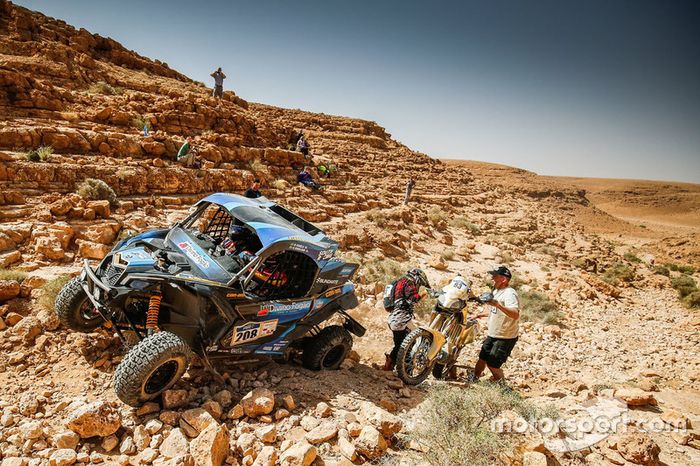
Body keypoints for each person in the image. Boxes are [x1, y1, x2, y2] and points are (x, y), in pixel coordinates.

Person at [472, 266, 520, 382]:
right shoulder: (496, 291)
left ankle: (502, 388)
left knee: (493, 364)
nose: (492, 278)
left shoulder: (510, 293)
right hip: (493, 334)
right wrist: (479, 315)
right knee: (482, 358)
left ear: (503, 279)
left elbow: (515, 314)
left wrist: (498, 304)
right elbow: (494, 311)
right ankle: (474, 379)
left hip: (505, 337)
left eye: (495, 276)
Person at [384, 268, 431, 371]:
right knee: (404, 345)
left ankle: (392, 365)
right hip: (400, 317)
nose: (419, 286)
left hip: (397, 317)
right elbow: (413, 298)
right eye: (420, 283)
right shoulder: (409, 282)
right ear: (417, 277)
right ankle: (401, 369)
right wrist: (424, 294)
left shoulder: (402, 281)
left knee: (402, 344)